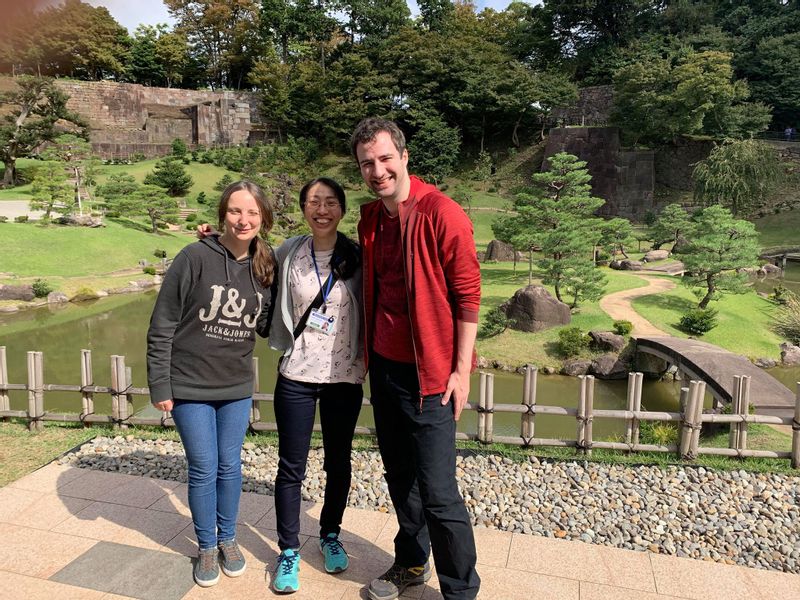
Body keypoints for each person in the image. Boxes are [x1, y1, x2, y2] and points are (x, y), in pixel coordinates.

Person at [351, 117, 481, 600]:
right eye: (368, 163)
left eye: (385, 158)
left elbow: (468, 297)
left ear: (404, 157)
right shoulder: (370, 219)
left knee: (439, 491)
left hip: (432, 376)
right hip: (385, 370)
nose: (378, 170)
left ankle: (461, 591)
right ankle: (410, 562)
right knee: (399, 475)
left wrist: (460, 370)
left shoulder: (441, 213)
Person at [147, 180, 276, 588]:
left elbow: (267, 322)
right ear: (223, 213)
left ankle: (228, 539)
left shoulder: (265, 265)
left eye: (253, 212)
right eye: (236, 211)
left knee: (230, 466)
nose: (244, 219)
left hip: (236, 385)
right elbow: (162, 324)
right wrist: (160, 386)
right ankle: (206, 546)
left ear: (263, 219)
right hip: (189, 385)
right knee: (203, 467)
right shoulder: (193, 257)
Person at [268, 177, 365, 593]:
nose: (321, 209)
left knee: (338, 462)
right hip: (296, 376)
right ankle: (288, 550)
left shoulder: (359, 258)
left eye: (329, 202)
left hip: (343, 378)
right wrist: (214, 239)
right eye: (313, 202)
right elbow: (248, 263)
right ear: (304, 208)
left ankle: (330, 534)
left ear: (341, 210)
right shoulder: (289, 251)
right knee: (291, 468)